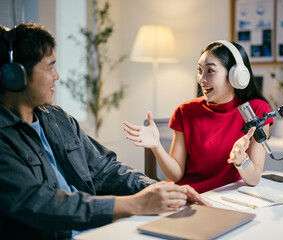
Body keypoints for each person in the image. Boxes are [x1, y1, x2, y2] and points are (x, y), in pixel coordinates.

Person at [0, 23, 209, 240]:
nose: (57, 75)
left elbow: (105, 169)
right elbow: (42, 204)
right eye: (49, 66)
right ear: (15, 75)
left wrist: (161, 192)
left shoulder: (56, 118)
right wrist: (136, 204)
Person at [123, 40, 273, 194]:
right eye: (200, 70)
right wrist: (156, 146)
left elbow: (253, 179)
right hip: (189, 198)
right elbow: (176, 174)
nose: (201, 79)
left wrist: (242, 161)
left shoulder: (256, 111)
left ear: (235, 75)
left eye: (210, 71)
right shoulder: (185, 111)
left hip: (228, 199)